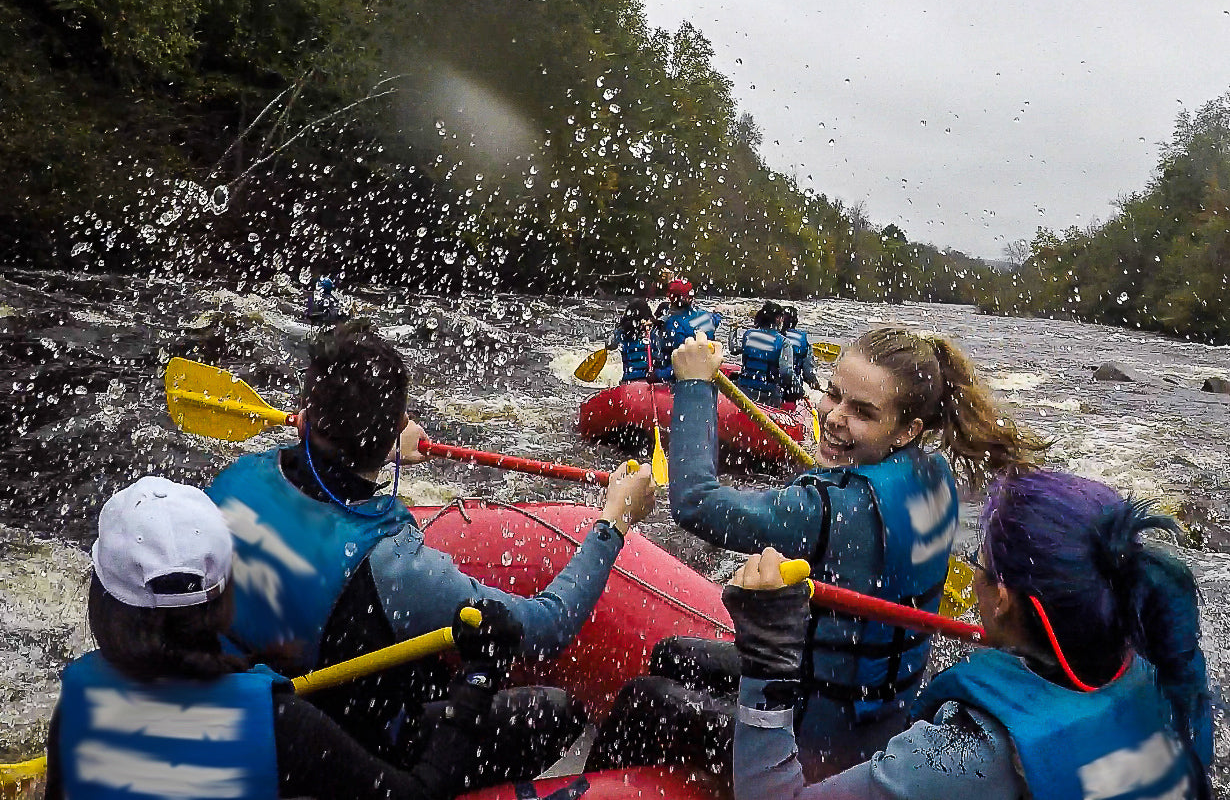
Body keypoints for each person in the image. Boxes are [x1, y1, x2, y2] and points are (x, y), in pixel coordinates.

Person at [207, 320, 657, 784]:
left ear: (305, 412)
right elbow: (549, 626)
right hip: (348, 757)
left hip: (258, 719)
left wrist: (381, 442)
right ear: (393, 431)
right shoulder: (393, 565)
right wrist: (614, 521)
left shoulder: (235, 479)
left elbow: (321, 476)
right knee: (557, 711)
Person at [592, 327, 1045, 780]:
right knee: (675, 654)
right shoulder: (936, 474)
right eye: (834, 394)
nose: (833, 416)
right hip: (878, 714)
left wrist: (693, 384)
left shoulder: (833, 509)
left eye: (862, 412)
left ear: (908, 430)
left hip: (815, 743)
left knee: (647, 699)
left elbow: (695, 504)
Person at [725, 470, 1214, 800]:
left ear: (1000, 598)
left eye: (979, 564)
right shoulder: (1165, 670)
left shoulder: (965, 756)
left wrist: (768, 657)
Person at [46, 475, 523, 800]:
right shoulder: (276, 723)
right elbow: (418, 794)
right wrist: (479, 675)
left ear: (103, 601)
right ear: (224, 596)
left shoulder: (76, 700)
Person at [651, 278, 723, 379]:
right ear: (691, 297)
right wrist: (719, 313)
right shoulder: (706, 316)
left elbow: (679, 366)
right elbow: (716, 320)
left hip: (684, 381)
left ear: (670, 298)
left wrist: (656, 375)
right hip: (709, 372)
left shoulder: (670, 325)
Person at [734, 301, 796, 407]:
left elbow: (734, 349)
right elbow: (786, 372)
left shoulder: (749, 334)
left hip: (744, 390)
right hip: (767, 395)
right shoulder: (784, 342)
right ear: (777, 319)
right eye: (781, 317)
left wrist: (733, 330)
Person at [605, 297, 657, 383]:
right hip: (650, 381)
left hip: (628, 381)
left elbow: (609, 345)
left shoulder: (622, 332)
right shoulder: (653, 331)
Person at [781, 306, 821, 395]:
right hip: (790, 392)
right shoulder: (802, 340)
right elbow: (808, 372)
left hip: (769, 388)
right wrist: (815, 384)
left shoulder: (769, 337)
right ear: (796, 321)